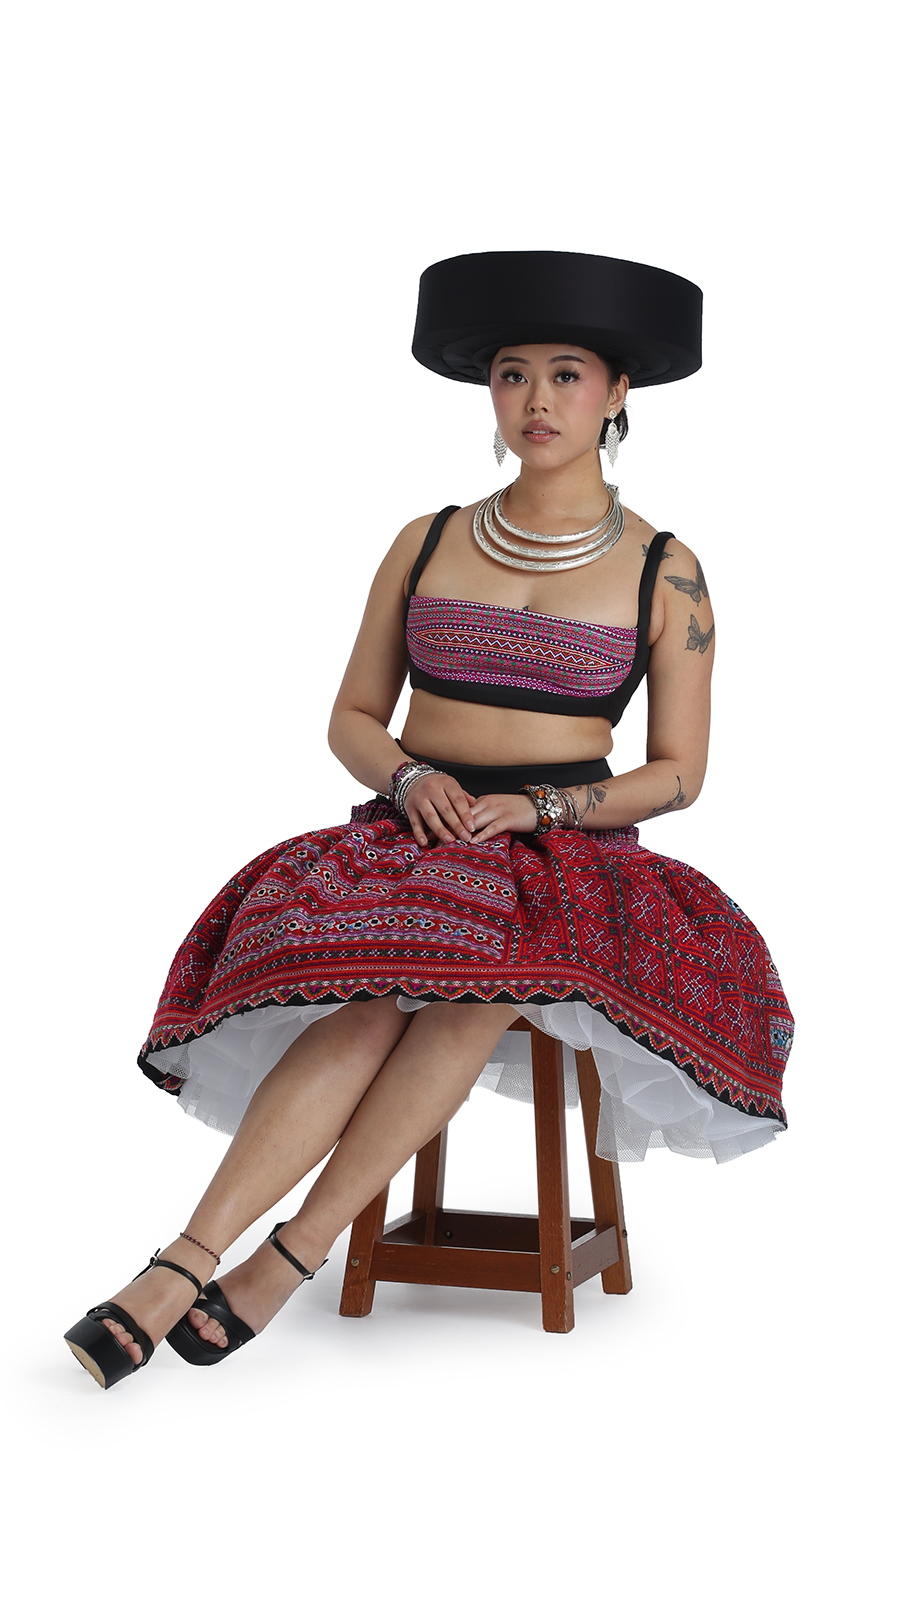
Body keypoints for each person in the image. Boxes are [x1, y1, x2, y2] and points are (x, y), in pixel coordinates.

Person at [64, 250, 793, 1389]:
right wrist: (408, 781)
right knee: (372, 994)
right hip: (413, 828)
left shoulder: (668, 570)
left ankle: (286, 1261)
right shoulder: (426, 538)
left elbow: (680, 774)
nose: (537, 400)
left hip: (563, 848)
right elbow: (351, 717)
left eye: (566, 374)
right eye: (512, 374)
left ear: (617, 392)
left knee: (469, 986)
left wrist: (541, 806)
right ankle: (185, 1261)